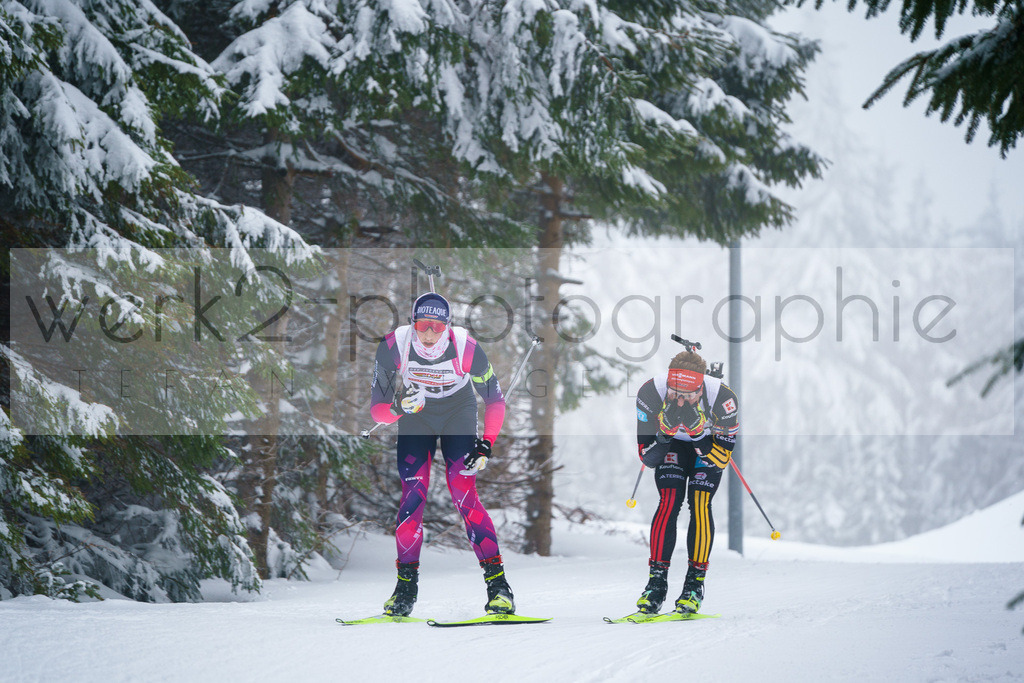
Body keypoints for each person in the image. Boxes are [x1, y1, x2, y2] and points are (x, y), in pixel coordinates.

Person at [369, 291, 514, 617]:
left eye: (437, 326)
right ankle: (405, 591)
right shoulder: (393, 346)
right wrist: (397, 408)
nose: (429, 334)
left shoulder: (466, 348)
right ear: (412, 323)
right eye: (423, 325)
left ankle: (499, 588)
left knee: (464, 493)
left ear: (448, 326)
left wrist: (486, 443)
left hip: (457, 412)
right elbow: (377, 410)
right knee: (412, 496)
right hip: (416, 414)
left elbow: (495, 400)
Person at [632, 348, 739, 615]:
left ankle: (694, 585)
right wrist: (665, 434)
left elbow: (722, 459)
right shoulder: (650, 393)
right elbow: (647, 457)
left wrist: (699, 435)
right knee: (669, 500)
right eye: (674, 393)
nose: (679, 402)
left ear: (701, 389)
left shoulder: (723, 399)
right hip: (672, 447)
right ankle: (656, 584)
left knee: (700, 502)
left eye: (688, 395)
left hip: (708, 446)